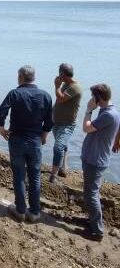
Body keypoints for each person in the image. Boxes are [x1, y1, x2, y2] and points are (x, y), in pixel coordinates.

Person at [0, 65, 53, 223]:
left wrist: (2, 130)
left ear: (20, 77)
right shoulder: (46, 96)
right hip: (35, 140)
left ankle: (20, 210)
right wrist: (44, 136)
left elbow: (1, 113)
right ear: (33, 77)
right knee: (35, 177)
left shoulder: (15, 93)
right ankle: (34, 212)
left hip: (17, 140)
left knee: (19, 176)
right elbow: (49, 121)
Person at [78, 84, 120, 241]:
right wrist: (116, 141)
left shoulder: (108, 114)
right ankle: (93, 220)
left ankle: (97, 231)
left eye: (92, 97)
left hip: (95, 160)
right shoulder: (112, 111)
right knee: (90, 192)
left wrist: (89, 110)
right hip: (95, 157)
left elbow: (86, 128)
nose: (90, 99)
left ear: (97, 98)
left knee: (91, 194)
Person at [50, 63, 82, 183]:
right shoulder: (66, 84)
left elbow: (61, 98)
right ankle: (64, 166)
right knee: (62, 144)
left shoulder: (75, 87)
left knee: (58, 146)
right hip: (56, 122)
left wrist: (56, 86)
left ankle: (53, 175)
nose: (58, 75)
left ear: (62, 74)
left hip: (66, 124)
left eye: (59, 73)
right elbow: (58, 102)